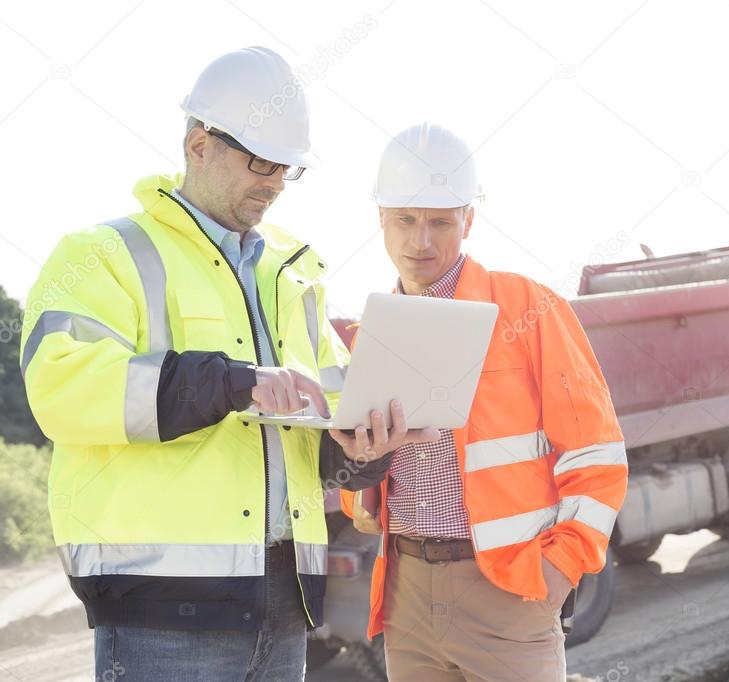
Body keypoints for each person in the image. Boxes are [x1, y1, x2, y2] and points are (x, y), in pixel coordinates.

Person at [19, 47, 436, 681]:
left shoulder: (292, 275)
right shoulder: (104, 255)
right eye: (261, 162)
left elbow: (319, 433)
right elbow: (61, 387)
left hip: (284, 606)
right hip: (159, 613)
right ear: (199, 145)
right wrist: (231, 383)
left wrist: (362, 450)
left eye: (287, 169)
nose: (273, 183)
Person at [338, 123, 628, 681]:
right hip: (407, 596)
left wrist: (556, 574)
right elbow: (361, 491)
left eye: (440, 222)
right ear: (381, 219)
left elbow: (598, 458)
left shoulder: (528, 307)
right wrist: (360, 490)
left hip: (509, 591)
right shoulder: (366, 334)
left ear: (468, 220)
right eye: (404, 219)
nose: (420, 242)